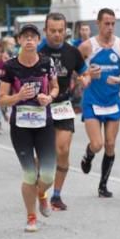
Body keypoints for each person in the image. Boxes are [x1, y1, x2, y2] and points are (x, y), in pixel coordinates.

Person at [0, 24, 59, 232]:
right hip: (21, 126)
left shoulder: (46, 62)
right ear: (19, 41)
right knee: (30, 175)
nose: (29, 40)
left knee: (48, 175)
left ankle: (42, 194)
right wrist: (18, 97)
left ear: (38, 40)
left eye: (33, 37)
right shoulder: (10, 67)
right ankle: (31, 216)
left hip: (44, 123)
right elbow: (2, 99)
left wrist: (49, 97)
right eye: (25, 37)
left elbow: (55, 87)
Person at [78, 8, 120, 198]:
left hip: (113, 101)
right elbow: (75, 70)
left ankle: (103, 186)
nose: (110, 27)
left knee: (110, 144)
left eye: (113, 23)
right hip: (92, 100)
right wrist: (87, 74)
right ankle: (88, 155)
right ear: (98, 24)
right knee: (97, 144)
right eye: (106, 23)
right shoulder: (88, 46)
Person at [38, 13, 87, 211]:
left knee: (63, 150)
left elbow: (83, 72)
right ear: (45, 31)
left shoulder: (73, 52)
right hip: (40, 107)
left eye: (60, 31)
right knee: (41, 156)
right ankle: (41, 189)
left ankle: (56, 195)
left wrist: (85, 79)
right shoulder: (37, 51)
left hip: (63, 105)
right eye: (52, 31)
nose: (57, 35)